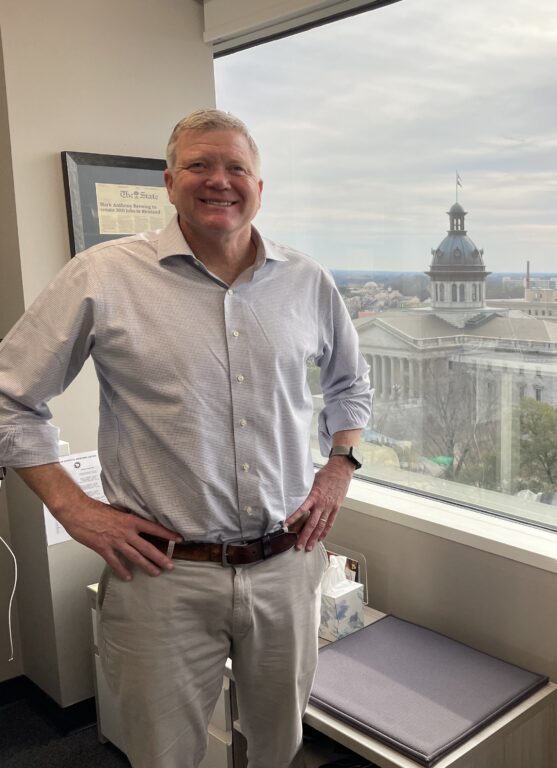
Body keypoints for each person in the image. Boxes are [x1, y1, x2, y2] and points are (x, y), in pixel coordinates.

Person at [0, 109, 373, 767]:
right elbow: (10, 398)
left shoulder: (307, 282)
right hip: (163, 574)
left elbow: (351, 384)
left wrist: (339, 465)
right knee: (163, 754)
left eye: (236, 167)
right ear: (170, 184)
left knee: (279, 746)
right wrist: (72, 507)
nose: (218, 181)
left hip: (286, 566)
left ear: (261, 186)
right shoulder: (104, 275)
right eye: (200, 165)